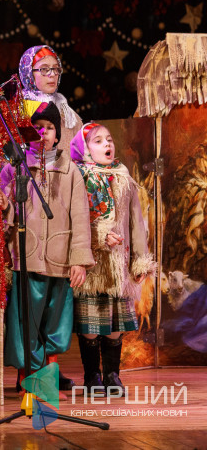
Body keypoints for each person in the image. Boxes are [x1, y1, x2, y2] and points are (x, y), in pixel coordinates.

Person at [0, 102, 94, 396]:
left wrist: (79, 260)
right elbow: (3, 220)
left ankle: (47, 378)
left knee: (55, 324)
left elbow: (80, 218)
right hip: (27, 258)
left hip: (60, 260)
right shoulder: (14, 168)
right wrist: (4, 206)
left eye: (49, 128)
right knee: (27, 322)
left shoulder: (70, 171)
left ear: (57, 135)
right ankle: (30, 379)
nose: (43, 133)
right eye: (37, 128)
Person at [70, 122, 156, 397]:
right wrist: (100, 237)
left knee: (115, 325)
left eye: (109, 139)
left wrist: (140, 260)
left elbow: (136, 222)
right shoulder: (79, 176)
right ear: (85, 149)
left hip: (119, 263)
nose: (107, 144)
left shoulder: (123, 176)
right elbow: (75, 220)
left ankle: (112, 375)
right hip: (92, 263)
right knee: (91, 325)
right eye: (98, 141)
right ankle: (92, 375)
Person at [18, 45, 83, 152]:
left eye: (56, 69)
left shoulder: (69, 116)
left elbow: (82, 154)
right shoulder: (17, 112)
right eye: (44, 69)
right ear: (29, 73)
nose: (52, 74)